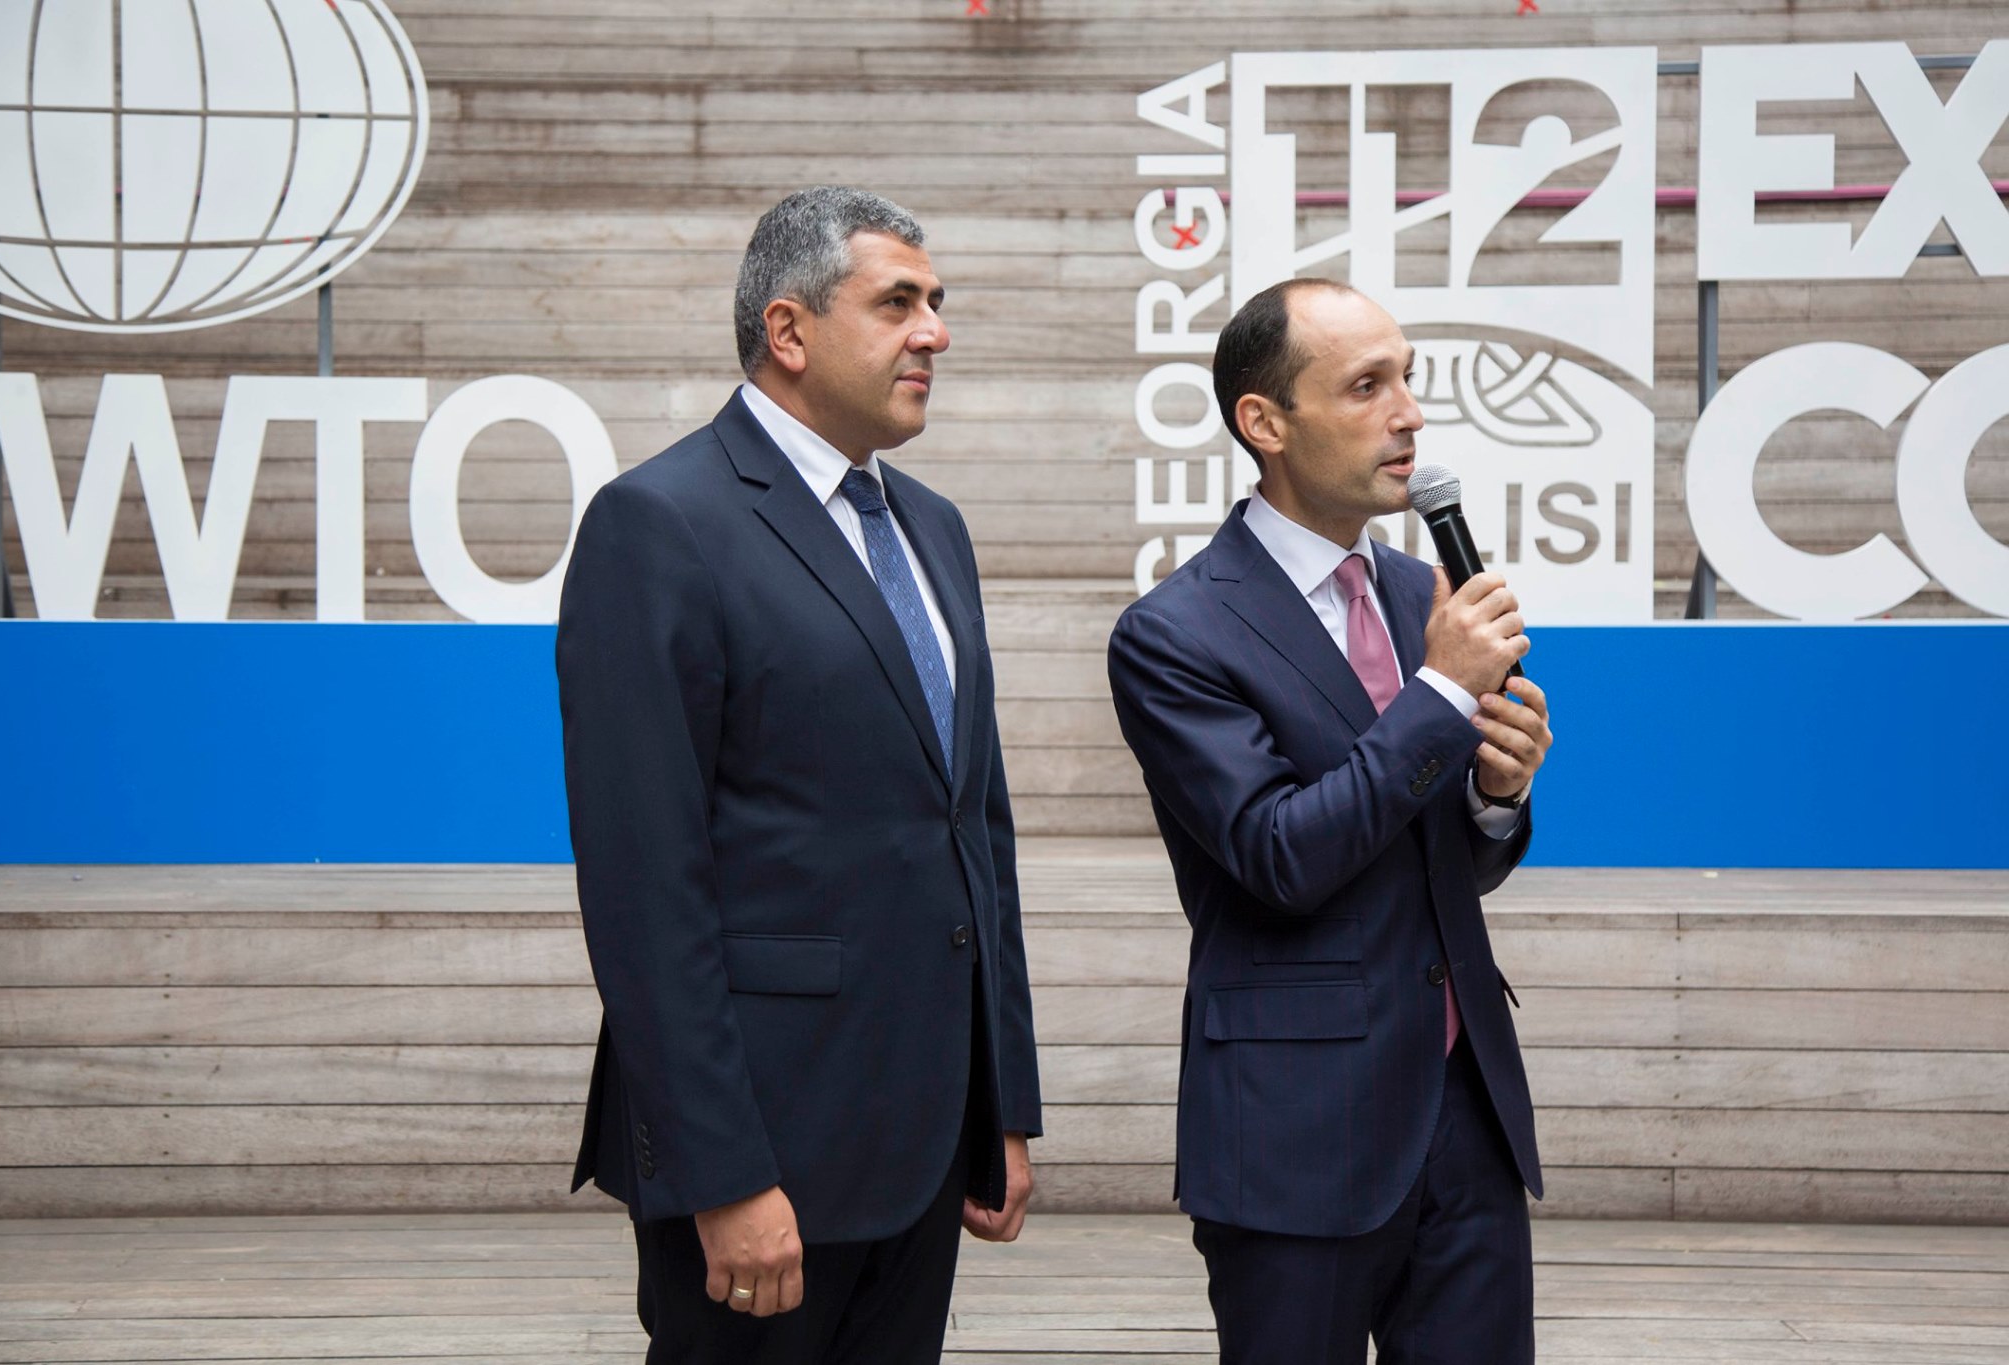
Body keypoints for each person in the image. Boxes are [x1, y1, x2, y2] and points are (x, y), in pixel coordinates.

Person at [556, 186, 1042, 1365]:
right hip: (762, 1153)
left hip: (923, 1141)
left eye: (935, 303)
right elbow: (644, 886)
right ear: (787, 330)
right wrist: (721, 1174)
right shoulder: (655, 524)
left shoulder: (932, 528)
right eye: (897, 303)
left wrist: (1001, 1104)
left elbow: (974, 830)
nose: (934, 333)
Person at [1107, 278, 1552, 1363]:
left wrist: (1497, 799)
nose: (1408, 414)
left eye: (1408, 379)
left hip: (1465, 1110)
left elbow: (1438, 860)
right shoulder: (1174, 633)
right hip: (1296, 1125)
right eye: (1365, 386)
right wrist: (1439, 695)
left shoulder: (1417, 592)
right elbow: (1280, 855)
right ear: (1264, 422)